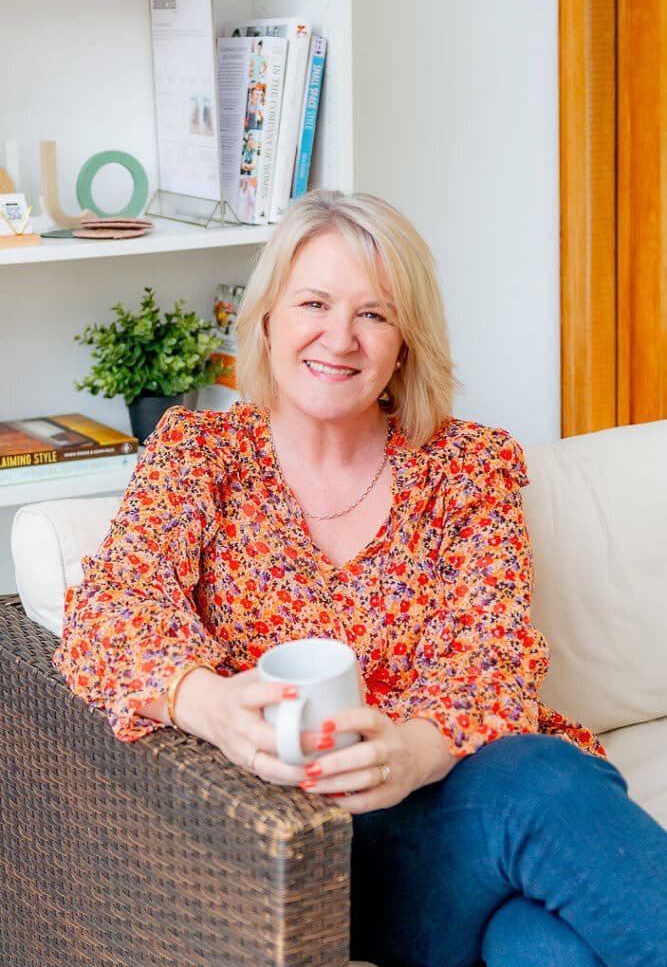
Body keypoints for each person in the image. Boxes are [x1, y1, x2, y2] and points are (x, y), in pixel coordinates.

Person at [55, 190, 667, 967]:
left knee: (542, 939)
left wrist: (410, 752)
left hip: (457, 810)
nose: (338, 339)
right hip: (304, 862)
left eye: (374, 315)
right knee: (541, 803)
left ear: (404, 342)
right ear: (268, 318)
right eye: (314, 302)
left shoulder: (464, 467)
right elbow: (110, 613)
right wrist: (209, 704)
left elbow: (494, 661)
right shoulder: (199, 456)